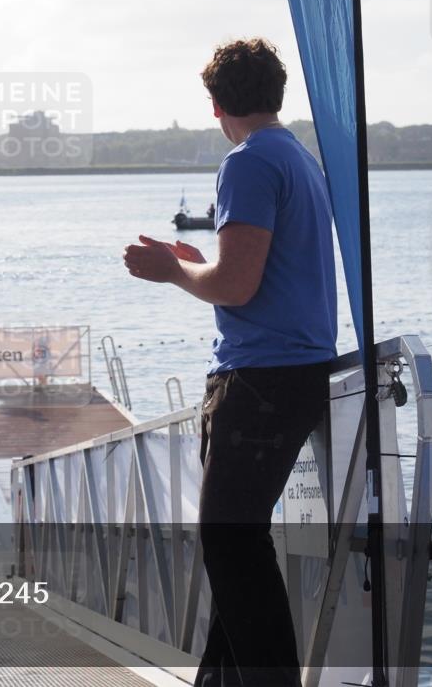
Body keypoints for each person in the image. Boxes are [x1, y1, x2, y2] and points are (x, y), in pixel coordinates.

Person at [124, 38, 337, 687]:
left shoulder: (247, 163)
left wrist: (170, 273)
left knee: (230, 541)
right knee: (235, 547)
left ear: (215, 102)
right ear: (277, 92)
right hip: (294, 371)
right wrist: (196, 268)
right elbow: (254, 274)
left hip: (261, 378)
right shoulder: (299, 158)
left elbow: (237, 287)